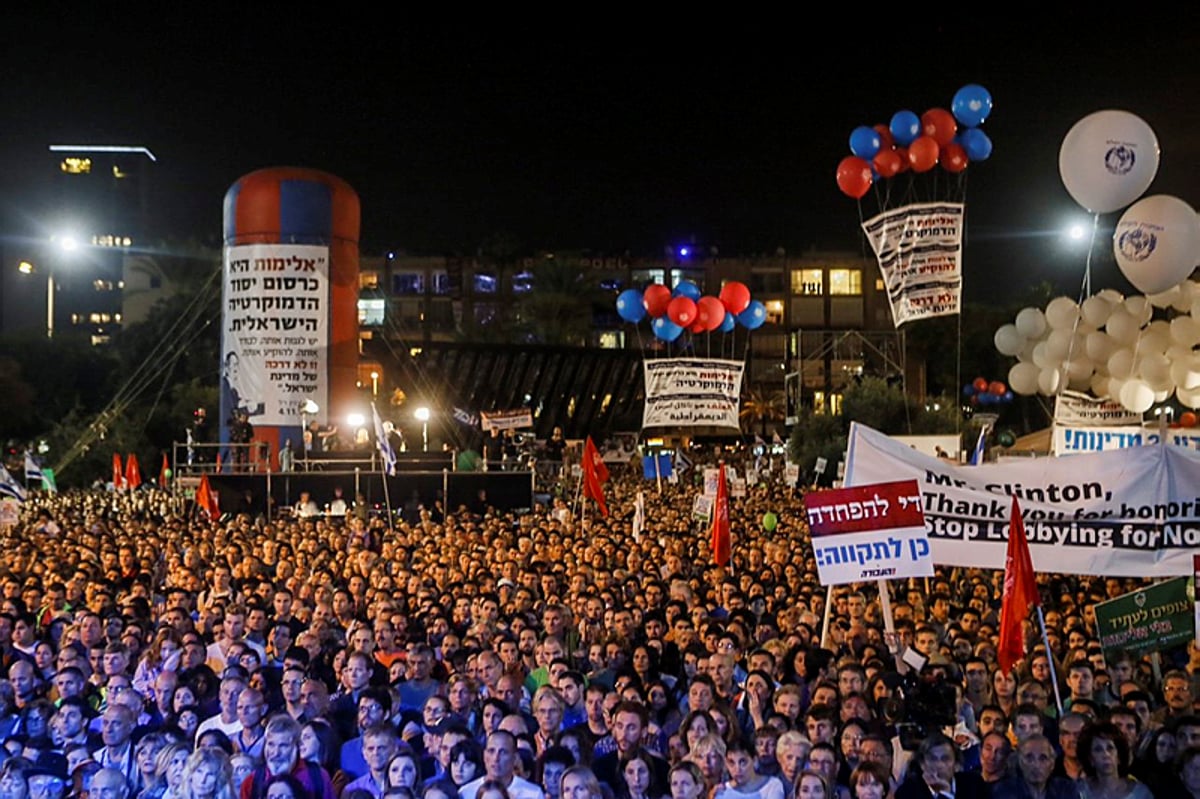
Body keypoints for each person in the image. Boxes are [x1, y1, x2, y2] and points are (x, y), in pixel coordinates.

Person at [894, 733, 987, 799]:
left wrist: (946, 793)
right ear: (922, 764)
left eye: (945, 758)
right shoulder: (907, 793)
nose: (938, 765)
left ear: (956, 765)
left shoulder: (974, 785)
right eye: (932, 759)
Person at [1075, 721, 1151, 799]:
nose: (1106, 754)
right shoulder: (1078, 791)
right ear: (1090, 759)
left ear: (1119, 755)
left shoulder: (1141, 794)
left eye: (1110, 748)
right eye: (1098, 749)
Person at [458, 731, 543, 799]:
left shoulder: (533, 794)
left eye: (503, 752)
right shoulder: (466, 793)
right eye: (491, 751)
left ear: (515, 757)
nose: (496, 758)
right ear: (484, 755)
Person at [991, 734, 1075, 799]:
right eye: (1029, 758)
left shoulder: (1065, 789)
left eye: (1043, 758)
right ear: (1020, 762)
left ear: (1052, 764)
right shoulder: (1004, 791)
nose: (1036, 765)